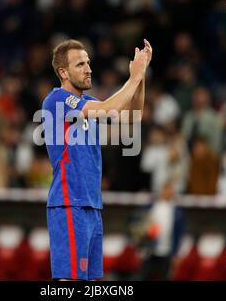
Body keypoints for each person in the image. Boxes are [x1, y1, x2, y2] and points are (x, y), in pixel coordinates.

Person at [42, 39, 152, 280]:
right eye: (80, 64)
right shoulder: (56, 100)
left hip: (91, 206)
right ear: (63, 72)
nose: (88, 69)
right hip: (69, 203)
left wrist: (140, 76)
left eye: (88, 63)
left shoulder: (86, 106)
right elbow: (107, 108)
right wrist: (132, 78)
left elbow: (133, 117)